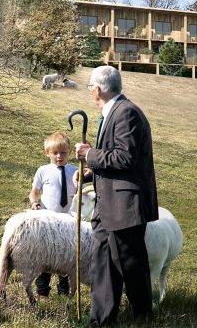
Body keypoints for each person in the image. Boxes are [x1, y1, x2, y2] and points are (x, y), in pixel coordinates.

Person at [79, 65, 159, 325]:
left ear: (98, 89)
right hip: (108, 204)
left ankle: (143, 316)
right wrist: (92, 171)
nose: (90, 91)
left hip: (125, 206)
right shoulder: (114, 111)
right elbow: (116, 158)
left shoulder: (126, 113)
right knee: (102, 263)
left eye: (91, 87)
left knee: (130, 264)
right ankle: (101, 320)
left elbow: (125, 158)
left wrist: (90, 155)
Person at [28, 132, 82, 299]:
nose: (59, 156)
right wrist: (33, 202)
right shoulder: (43, 171)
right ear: (47, 153)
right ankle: (42, 292)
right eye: (55, 153)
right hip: (48, 221)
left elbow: (81, 191)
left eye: (63, 153)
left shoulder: (75, 170)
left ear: (69, 153)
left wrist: (79, 194)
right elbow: (34, 192)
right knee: (46, 256)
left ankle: (63, 293)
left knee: (66, 256)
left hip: (68, 222)